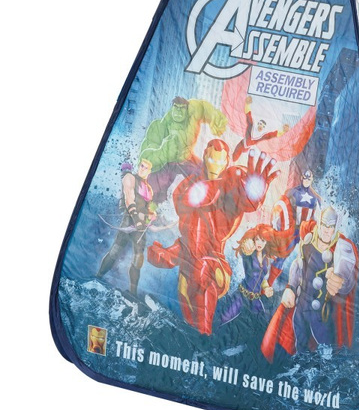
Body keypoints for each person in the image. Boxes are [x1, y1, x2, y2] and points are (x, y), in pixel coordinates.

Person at [147, 140, 279, 335]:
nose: (214, 165)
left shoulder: (233, 181)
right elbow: (185, 204)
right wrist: (164, 254)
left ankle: (205, 334)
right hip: (188, 264)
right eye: (210, 159)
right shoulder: (191, 184)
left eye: (219, 161)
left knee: (202, 270)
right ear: (204, 157)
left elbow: (244, 198)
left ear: (226, 161)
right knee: (188, 309)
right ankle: (196, 336)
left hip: (215, 264)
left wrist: (254, 193)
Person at [261, 206, 358, 361]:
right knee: (300, 349)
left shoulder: (341, 248)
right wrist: (290, 287)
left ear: (335, 227)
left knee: (327, 354)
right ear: (319, 223)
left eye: (330, 226)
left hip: (322, 314)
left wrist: (339, 281)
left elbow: (348, 279)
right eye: (324, 224)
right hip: (301, 307)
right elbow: (298, 265)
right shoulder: (308, 240)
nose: (326, 230)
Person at [139, 96, 228, 202]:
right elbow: (145, 158)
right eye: (176, 107)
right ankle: (153, 203)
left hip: (187, 159)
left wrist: (216, 118)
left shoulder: (192, 113)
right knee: (156, 186)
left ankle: (210, 199)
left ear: (186, 109)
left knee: (205, 175)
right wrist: (163, 153)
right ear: (172, 107)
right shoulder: (159, 126)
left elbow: (203, 108)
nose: (178, 111)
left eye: (182, 108)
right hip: (167, 163)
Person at [97, 159, 155, 296]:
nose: (142, 169)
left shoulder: (149, 188)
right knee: (115, 251)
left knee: (138, 258)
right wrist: (136, 219)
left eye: (146, 167)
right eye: (141, 166)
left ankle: (133, 293)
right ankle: (97, 277)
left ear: (149, 171)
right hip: (129, 221)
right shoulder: (130, 178)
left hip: (141, 227)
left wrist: (151, 214)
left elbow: (148, 207)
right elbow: (129, 198)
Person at [219, 224, 292, 326]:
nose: (260, 243)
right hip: (241, 297)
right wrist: (247, 244)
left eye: (263, 240)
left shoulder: (265, 258)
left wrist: (266, 288)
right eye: (257, 239)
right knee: (224, 319)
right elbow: (245, 250)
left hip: (255, 300)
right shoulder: (249, 254)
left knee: (262, 325)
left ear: (267, 242)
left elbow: (261, 279)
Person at [232, 96, 289, 162]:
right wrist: (247, 104)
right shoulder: (251, 126)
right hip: (242, 144)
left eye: (263, 126)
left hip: (248, 148)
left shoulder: (263, 135)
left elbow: (273, 134)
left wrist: (283, 131)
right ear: (258, 124)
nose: (261, 127)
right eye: (260, 124)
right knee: (235, 156)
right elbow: (248, 115)